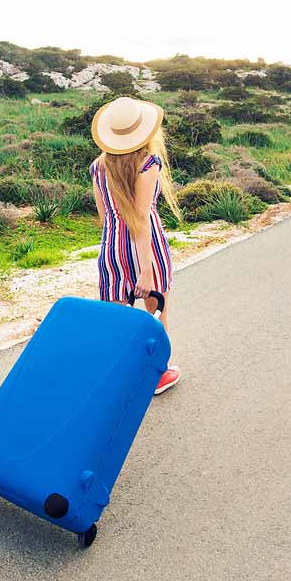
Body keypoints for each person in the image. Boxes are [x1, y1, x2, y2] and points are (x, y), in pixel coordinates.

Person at [88, 96, 182, 395]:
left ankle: (121, 377)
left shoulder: (97, 166)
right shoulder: (148, 162)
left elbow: (105, 217)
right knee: (156, 314)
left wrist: (116, 249)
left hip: (111, 245)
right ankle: (158, 375)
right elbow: (140, 220)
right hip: (146, 246)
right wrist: (144, 270)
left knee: (118, 320)